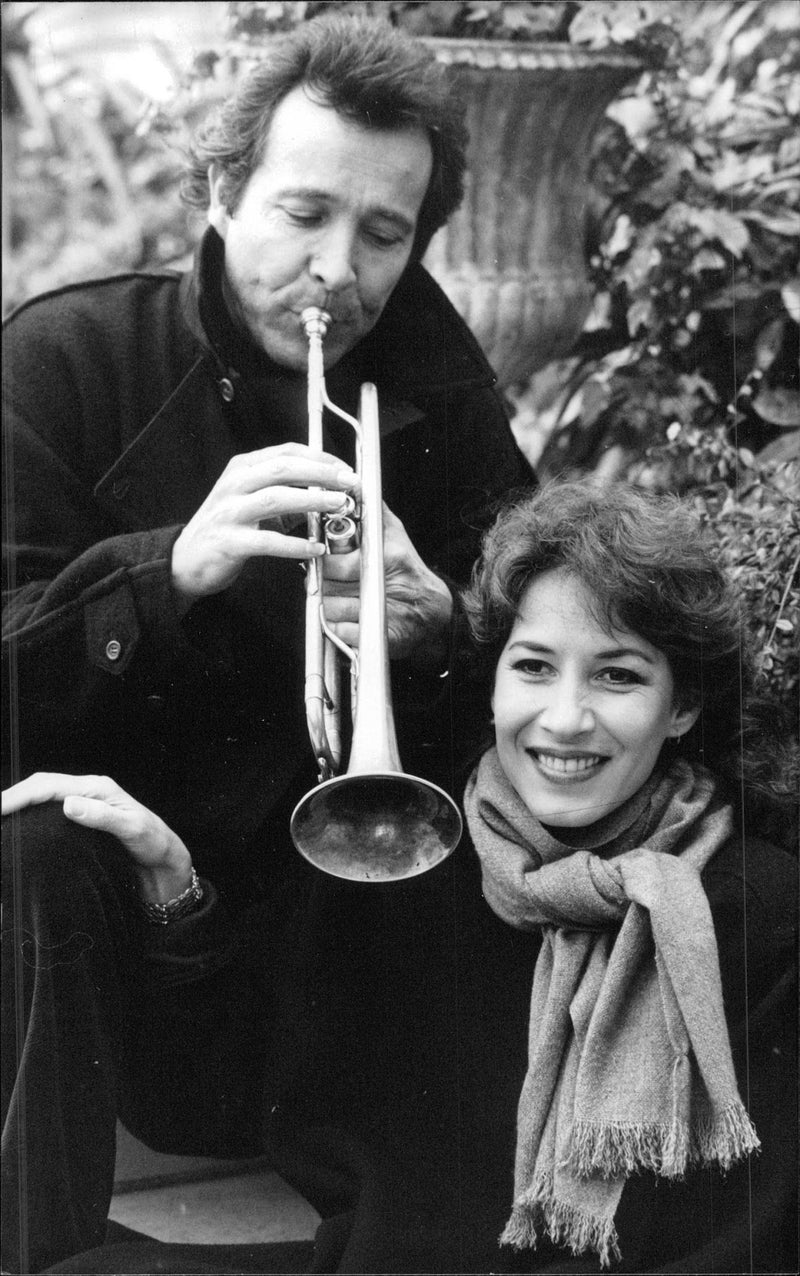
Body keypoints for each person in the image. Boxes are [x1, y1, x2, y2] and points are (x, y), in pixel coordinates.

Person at [1, 12, 533, 1271]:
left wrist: (449, 627)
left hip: (324, 945)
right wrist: (161, 574)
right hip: (121, 943)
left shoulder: (438, 389)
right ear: (222, 190)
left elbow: (545, 655)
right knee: (30, 849)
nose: (336, 269)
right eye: (304, 212)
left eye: (383, 233)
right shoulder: (66, 358)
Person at [461, 479, 798, 1273]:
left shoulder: (762, 908)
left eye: (618, 676)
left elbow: (751, 1237)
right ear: (494, 683)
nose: (567, 718)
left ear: (681, 707)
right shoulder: (422, 858)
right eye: (535, 666)